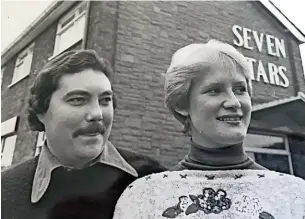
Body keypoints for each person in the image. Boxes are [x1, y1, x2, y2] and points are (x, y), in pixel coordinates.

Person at [113, 40, 305, 219]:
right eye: (214, 90)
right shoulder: (144, 197)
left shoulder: (295, 195)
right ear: (182, 103)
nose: (234, 102)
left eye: (240, 89)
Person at [1, 50, 166, 219]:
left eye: (105, 100)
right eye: (78, 99)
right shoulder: (5, 190)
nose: (97, 114)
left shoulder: (153, 179)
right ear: (41, 111)